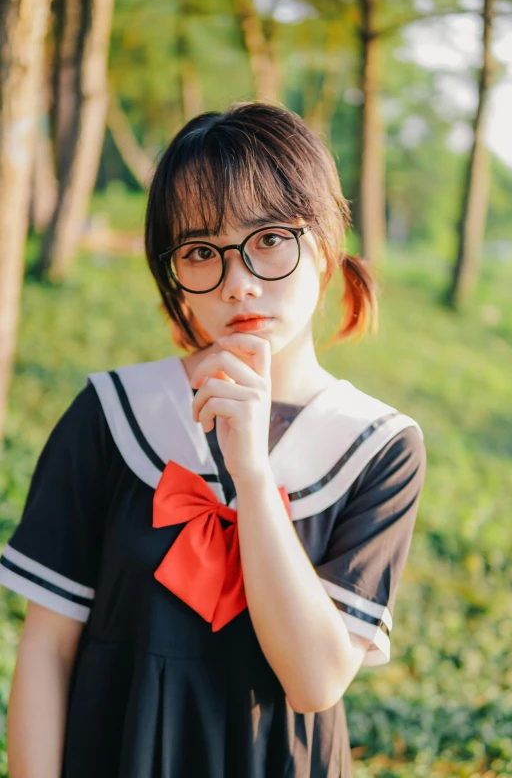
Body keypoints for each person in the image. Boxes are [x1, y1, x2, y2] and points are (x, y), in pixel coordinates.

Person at [0, 102, 426, 778]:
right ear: (175, 280)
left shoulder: (379, 446)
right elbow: (47, 649)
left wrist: (252, 474)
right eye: (201, 251)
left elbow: (315, 681)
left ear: (322, 242)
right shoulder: (112, 415)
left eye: (269, 238)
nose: (238, 281)